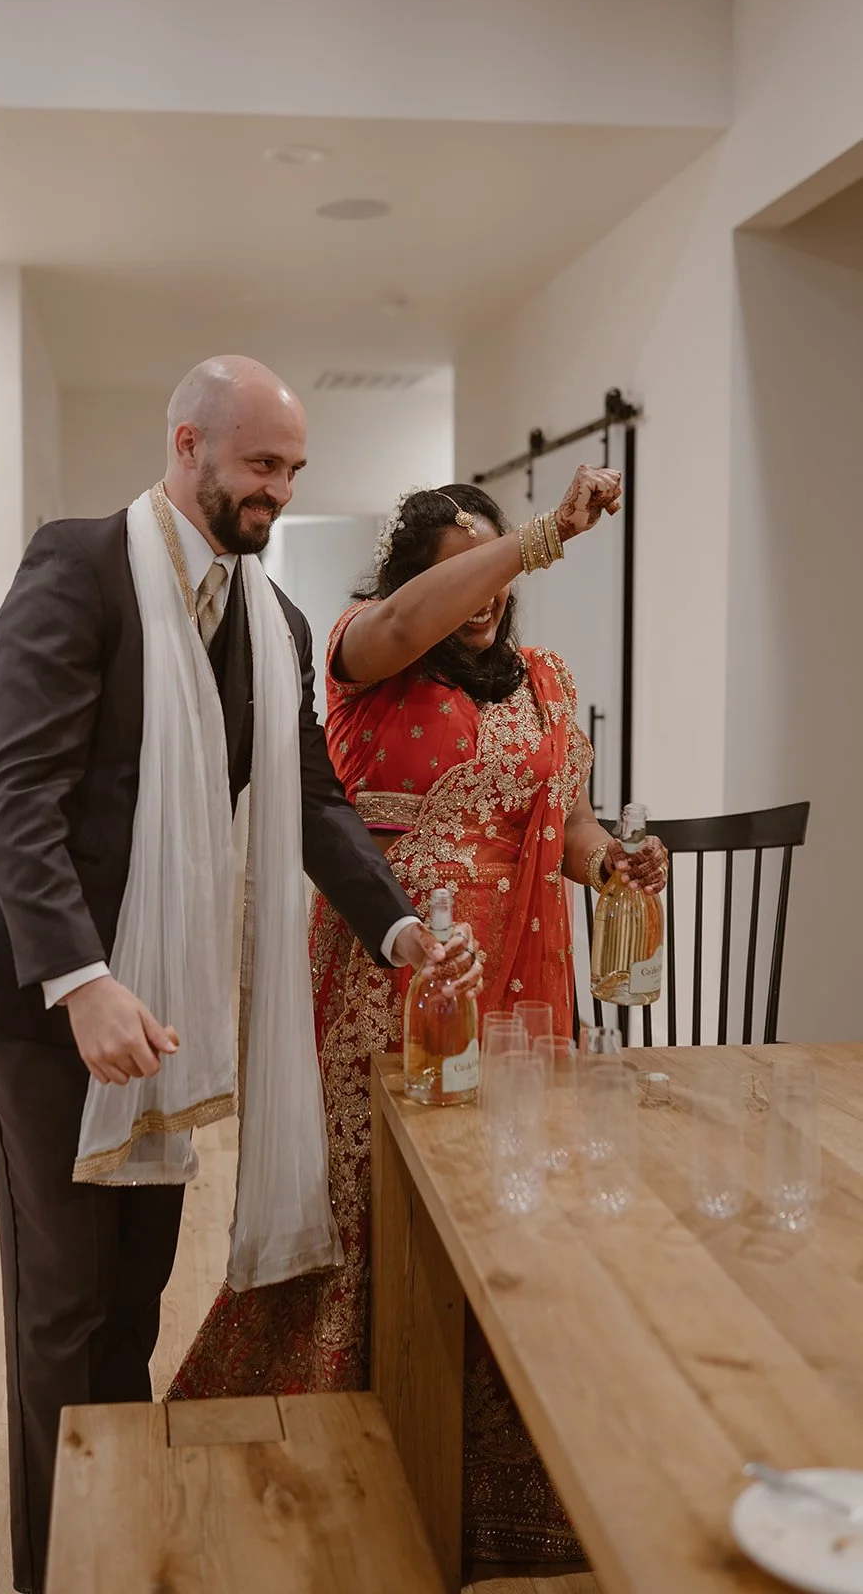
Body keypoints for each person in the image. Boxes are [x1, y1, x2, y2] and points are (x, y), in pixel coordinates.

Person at [0, 355, 480, 1594]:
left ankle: (110, 1532)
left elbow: (317, 804)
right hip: (51, 997)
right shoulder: (74, 567)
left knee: (134, 1297)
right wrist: (81, 980)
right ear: (186, 444)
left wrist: (397, 932)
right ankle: (48, 1572)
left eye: (292, 469)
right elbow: (16, 794)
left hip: (170, 997)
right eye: (260, 464)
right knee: (61, 1307)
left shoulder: (273, 620)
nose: (278, 491)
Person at [170, 468, 669, 1576]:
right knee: (370, 1204)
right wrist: (539, 536)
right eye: (456, 571)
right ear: (411, 578)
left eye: (490, 570)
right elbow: (408, 619)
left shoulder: (544, 679)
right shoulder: (363, 655)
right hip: (385, 973)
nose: (482, 596)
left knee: (502, 1216)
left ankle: (490, 1478)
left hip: (520, 991)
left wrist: (611, 864)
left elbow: (569, 823)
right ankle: (335, 1452)